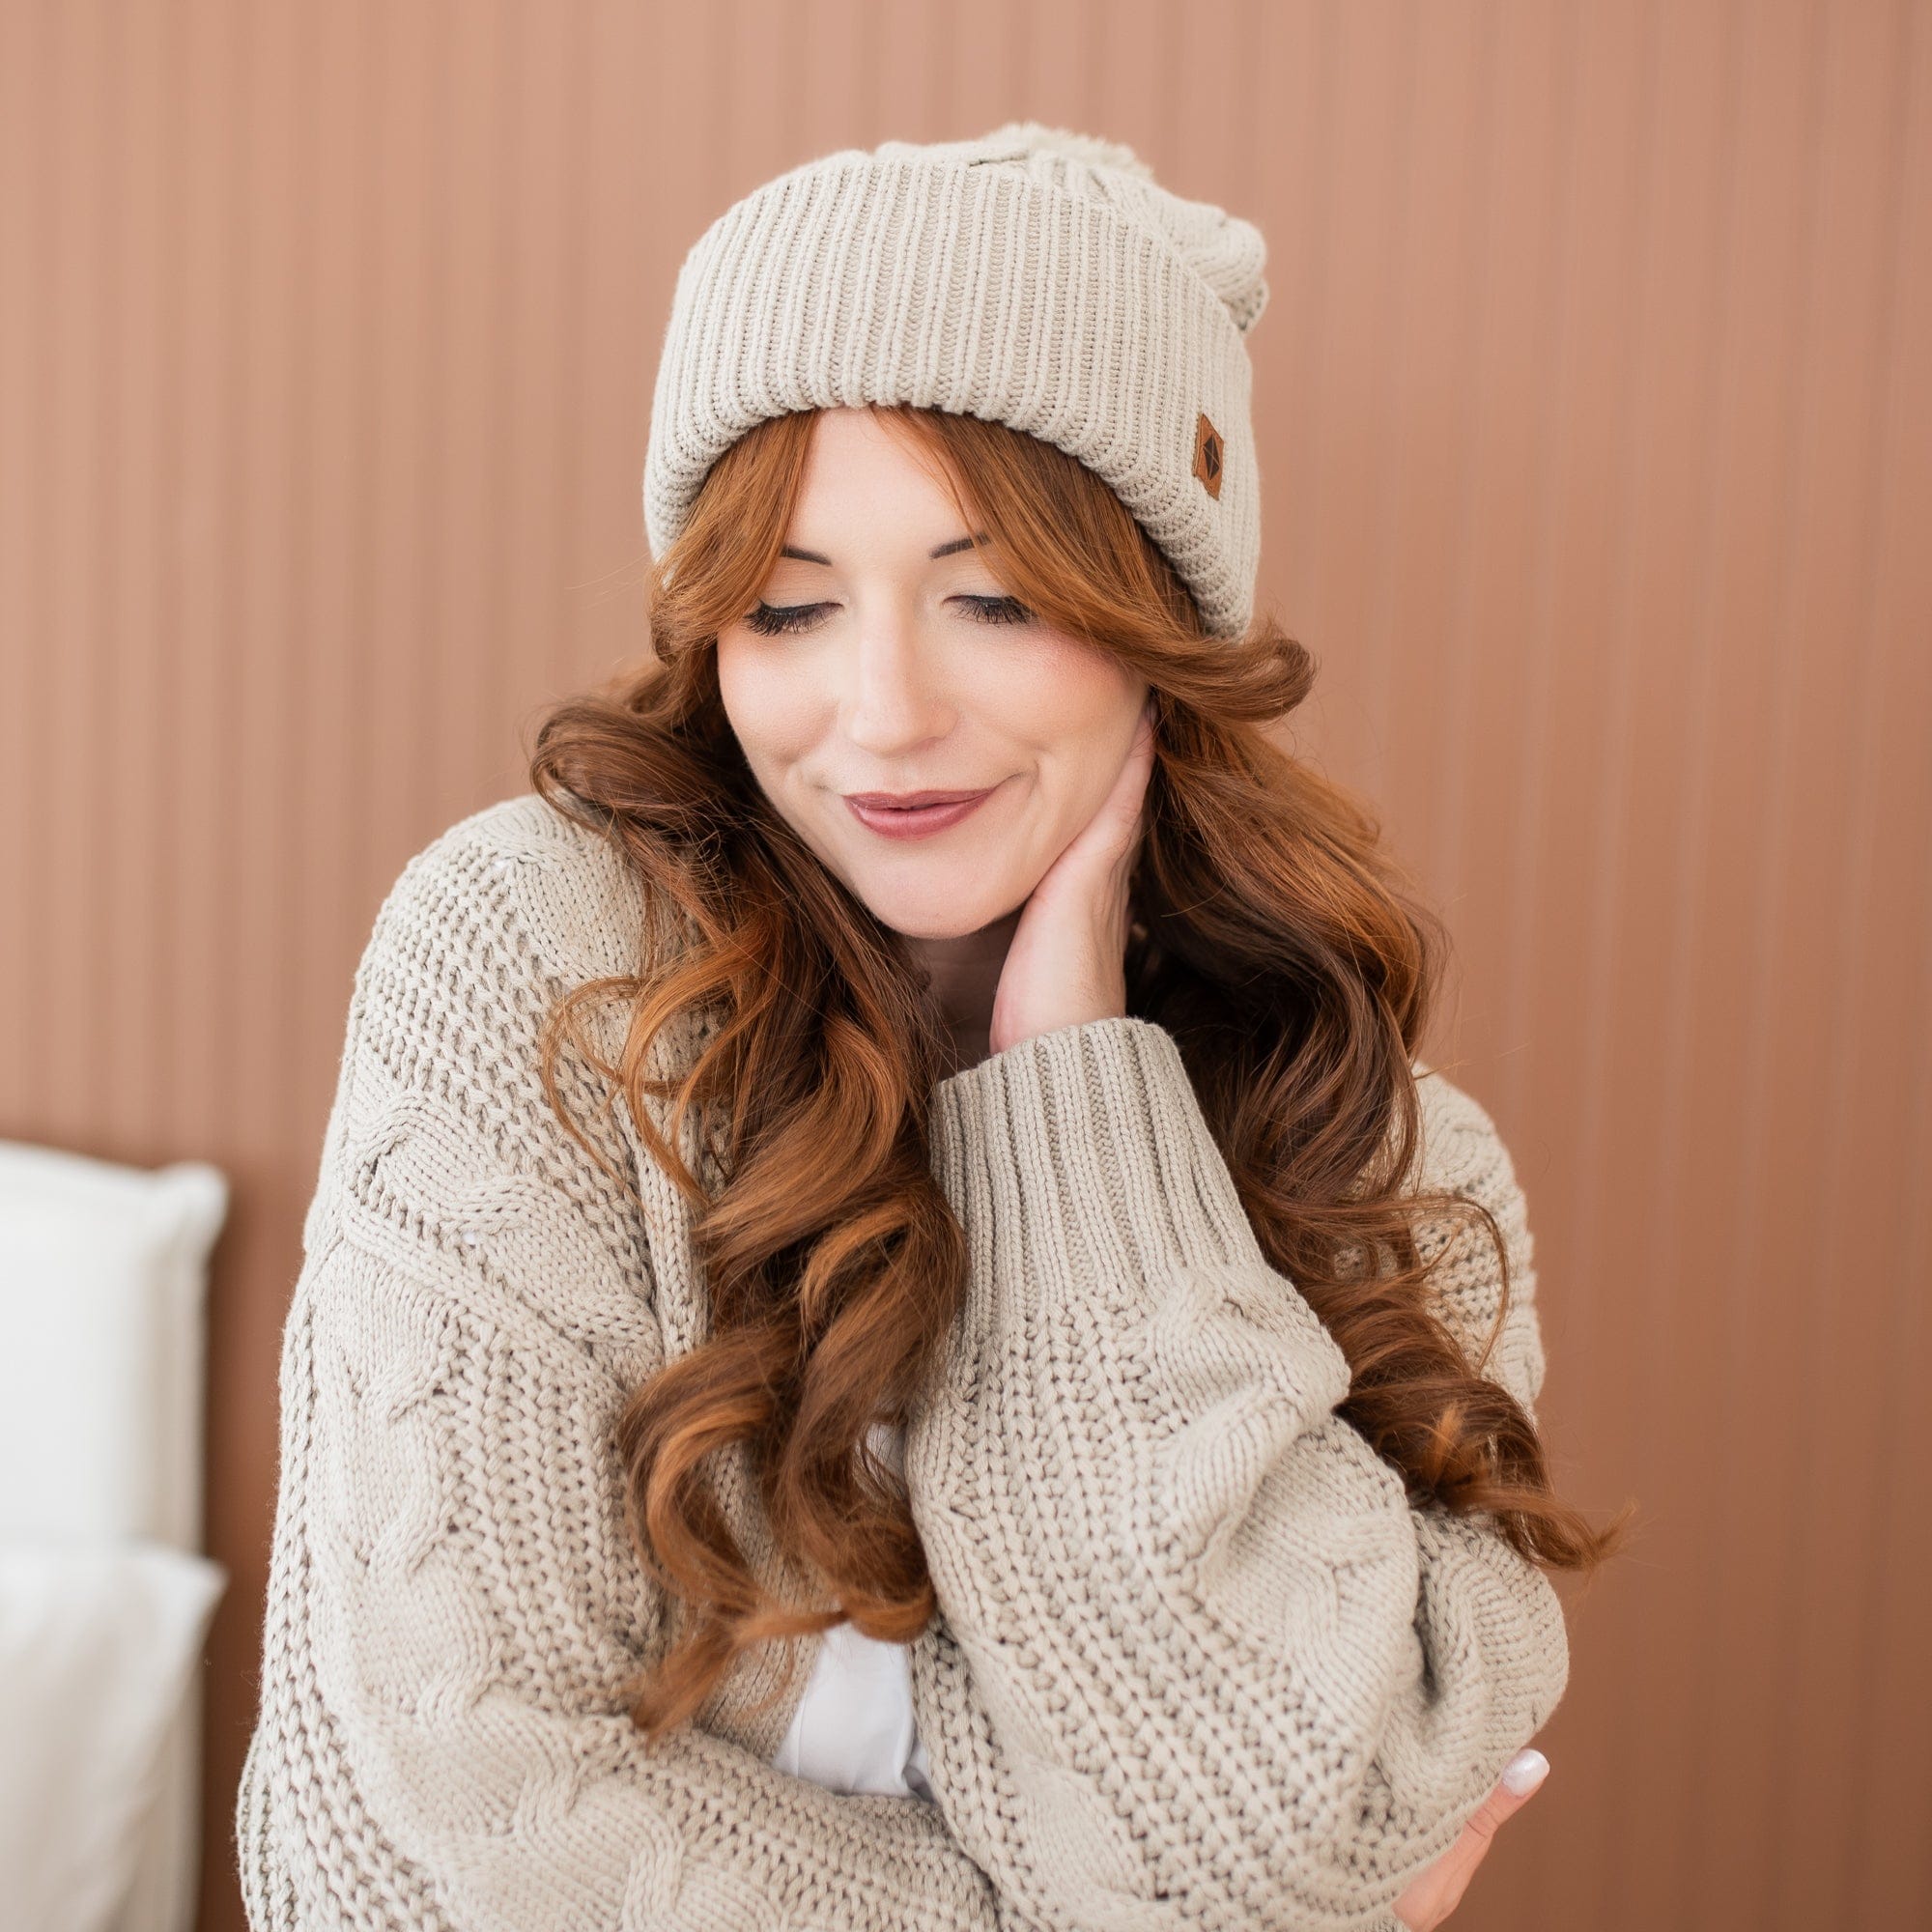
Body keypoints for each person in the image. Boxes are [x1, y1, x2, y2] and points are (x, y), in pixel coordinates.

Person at [237, 123, 1631, 1932]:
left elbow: (1289, 1833)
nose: (880, 712)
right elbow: (419, 1854)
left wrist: (1068, 1098)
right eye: (790, 606)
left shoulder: (1396, 1162)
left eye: (997, 598)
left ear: (1159, 623)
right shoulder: (541, 967)